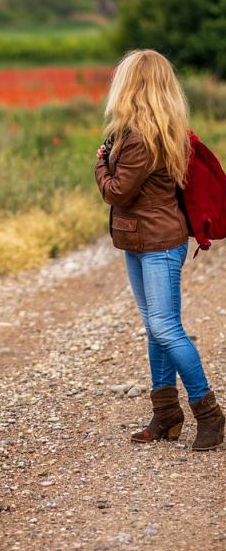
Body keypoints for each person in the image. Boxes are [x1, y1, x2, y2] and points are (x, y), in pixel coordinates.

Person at [95, 48, 224, 450]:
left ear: (131, 86)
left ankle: (209, 413)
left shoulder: (138, 139)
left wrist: (100, 162)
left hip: (156, 245)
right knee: (156, 328)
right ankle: (166, 413)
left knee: (165, 328)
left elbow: (116, 191)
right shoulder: (160, 129)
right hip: (144, 240)